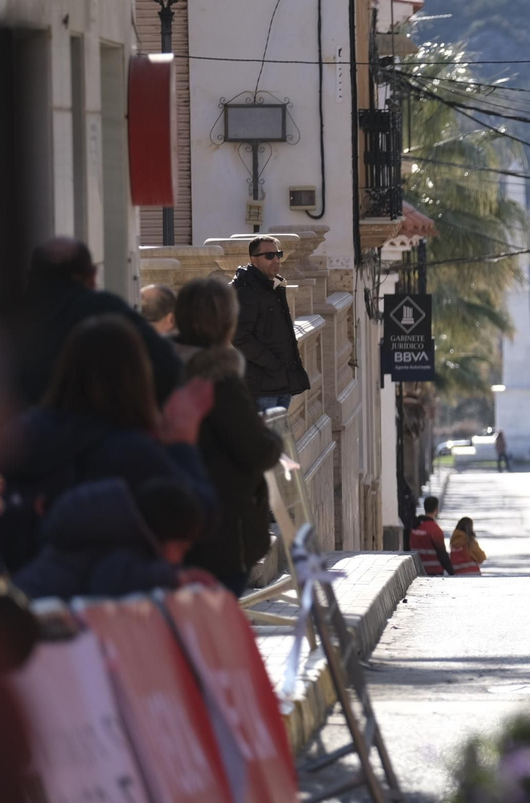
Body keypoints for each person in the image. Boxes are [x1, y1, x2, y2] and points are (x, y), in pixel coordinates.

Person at [0, 315, 217, 573]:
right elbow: (201, 517)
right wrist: (182, 444)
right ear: (139, 376)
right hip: (107, 601)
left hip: (26, 596)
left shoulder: (21, 438)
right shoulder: (132, 453)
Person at [171, 278, 286, 595]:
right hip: (221, 530)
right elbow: (257, 449)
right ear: (225, 323)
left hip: (169, 519)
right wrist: (273, 438)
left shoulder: (159, 367)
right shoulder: (219, 379)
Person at [13, 237, 183, 405]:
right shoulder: (106, 309)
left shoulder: (14, 316)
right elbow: (166, 366)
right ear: (92, 276)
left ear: (30, 277)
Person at [12, 478, 213, 602]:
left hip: (23, 605)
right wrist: (174, 578)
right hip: (25, 617)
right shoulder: (125, 544)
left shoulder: (114, 528)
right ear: (167, 537)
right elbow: (109, 585)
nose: (178, 560)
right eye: (182, 549)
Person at [231, 236, 310, 413]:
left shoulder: (272, 287)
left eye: (278, 254)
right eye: (269, 255)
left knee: (277, 438)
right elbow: (239, 336)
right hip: (262, 388)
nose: (276, 259)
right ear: (254, 260)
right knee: (265, 439)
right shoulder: (247, 291)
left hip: (280, 384)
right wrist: (273, 364)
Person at [410, 495, 453, 576]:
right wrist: (452, 571)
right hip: (434, 572)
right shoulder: (435, 530)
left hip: (418, 571)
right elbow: (442, 554)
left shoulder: (415, 528)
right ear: (436, 510)